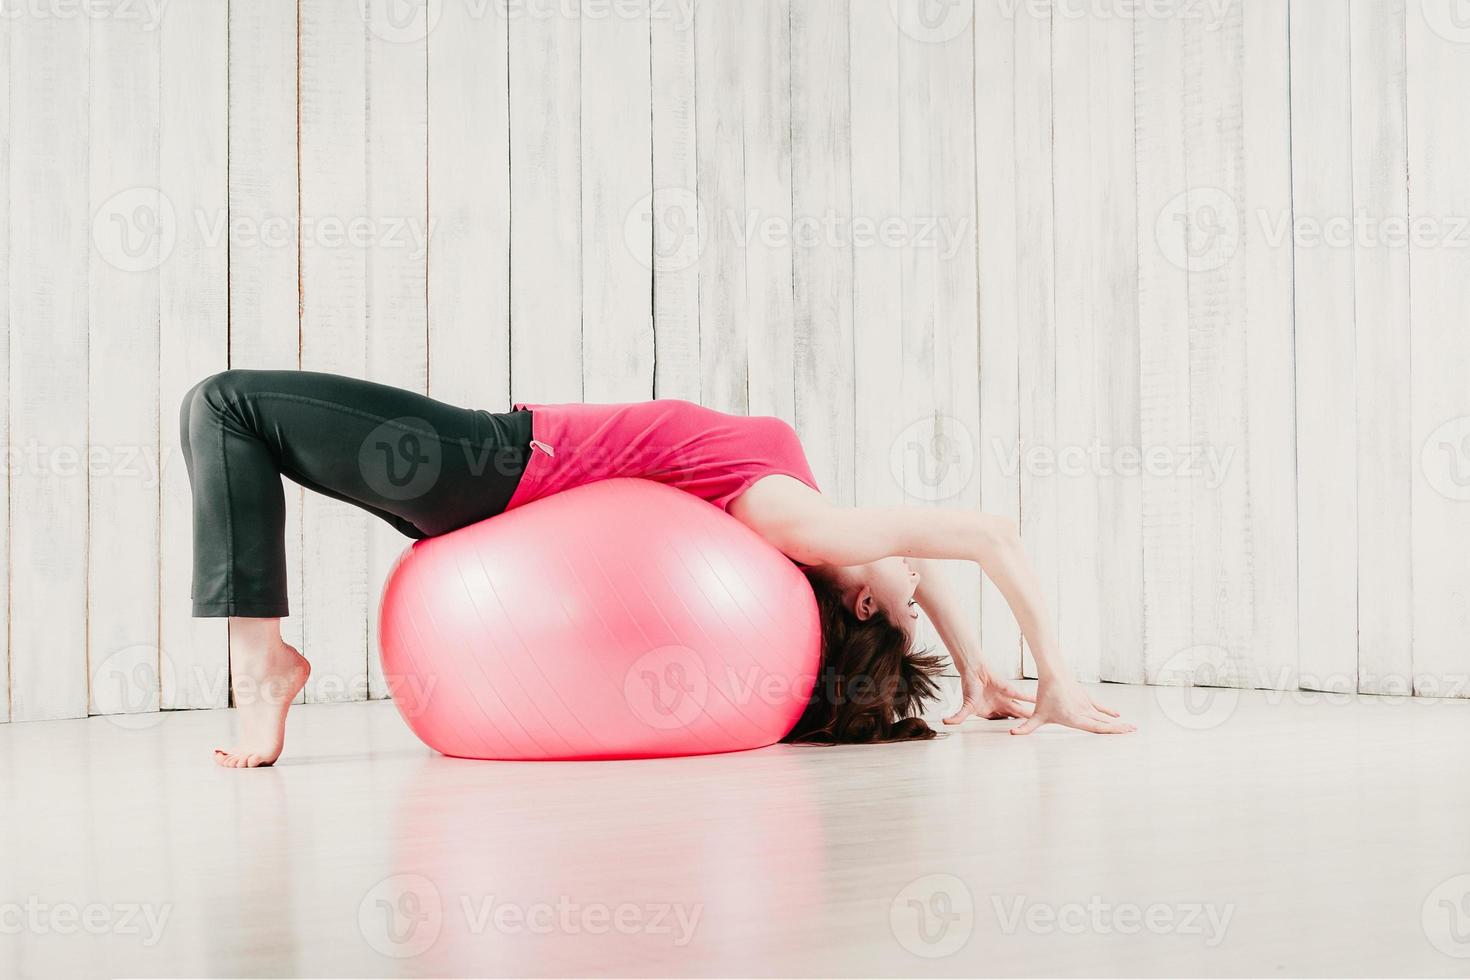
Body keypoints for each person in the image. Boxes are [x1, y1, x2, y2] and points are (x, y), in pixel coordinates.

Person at [180, 369, 1133, 768]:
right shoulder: (814, 519)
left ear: (854, 592)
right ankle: (264, 663)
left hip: (496, 466)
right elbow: (919, 560)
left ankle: (263, 666)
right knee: (234, 415)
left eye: (906, 615)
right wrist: (977, 672)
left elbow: (983, 535)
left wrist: (1057, 676)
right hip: (493, 478)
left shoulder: (797, 524)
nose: (920, 598)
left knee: (225, 406)